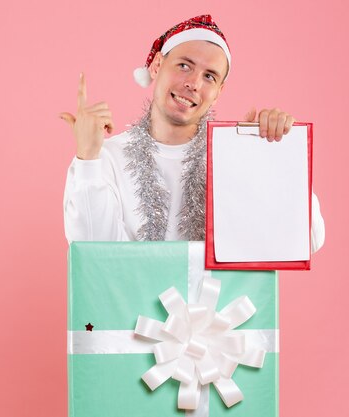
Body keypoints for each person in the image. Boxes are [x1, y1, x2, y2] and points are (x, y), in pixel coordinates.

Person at [60, 14, 325, 252]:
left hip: (219, 307)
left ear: (219, 92)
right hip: (129, 306)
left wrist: (272, 156)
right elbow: (93, 251)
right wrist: (87, 159)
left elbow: (309, 239)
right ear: (156, 66)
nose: (193, 83)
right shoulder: (103, 158)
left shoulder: (233, 155)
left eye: (210, 76)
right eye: (184, 65)